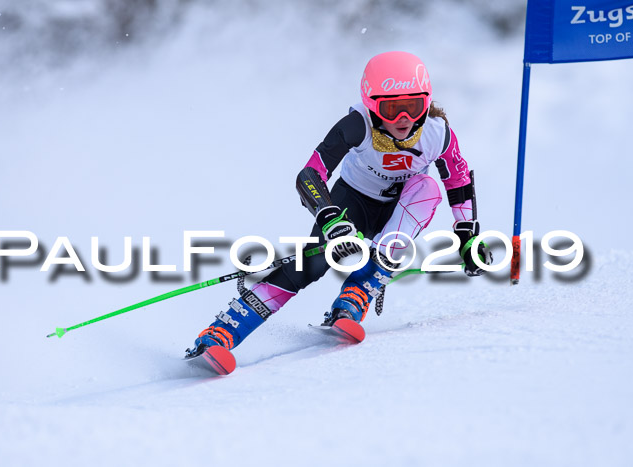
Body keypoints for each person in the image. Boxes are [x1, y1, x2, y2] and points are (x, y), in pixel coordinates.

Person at [185, 51, 492, 358]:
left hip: (400, 211)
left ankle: (354, 297)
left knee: (426, 188)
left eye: (413, 107)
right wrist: (332, 219)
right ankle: (221, 333)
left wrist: (467, 238)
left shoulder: (437, 133)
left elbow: (458, 180)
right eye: (391, 109)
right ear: (371, 105)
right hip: (352, 203)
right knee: (311, 265)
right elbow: (309, 174)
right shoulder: (357, 125)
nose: (404, 120)